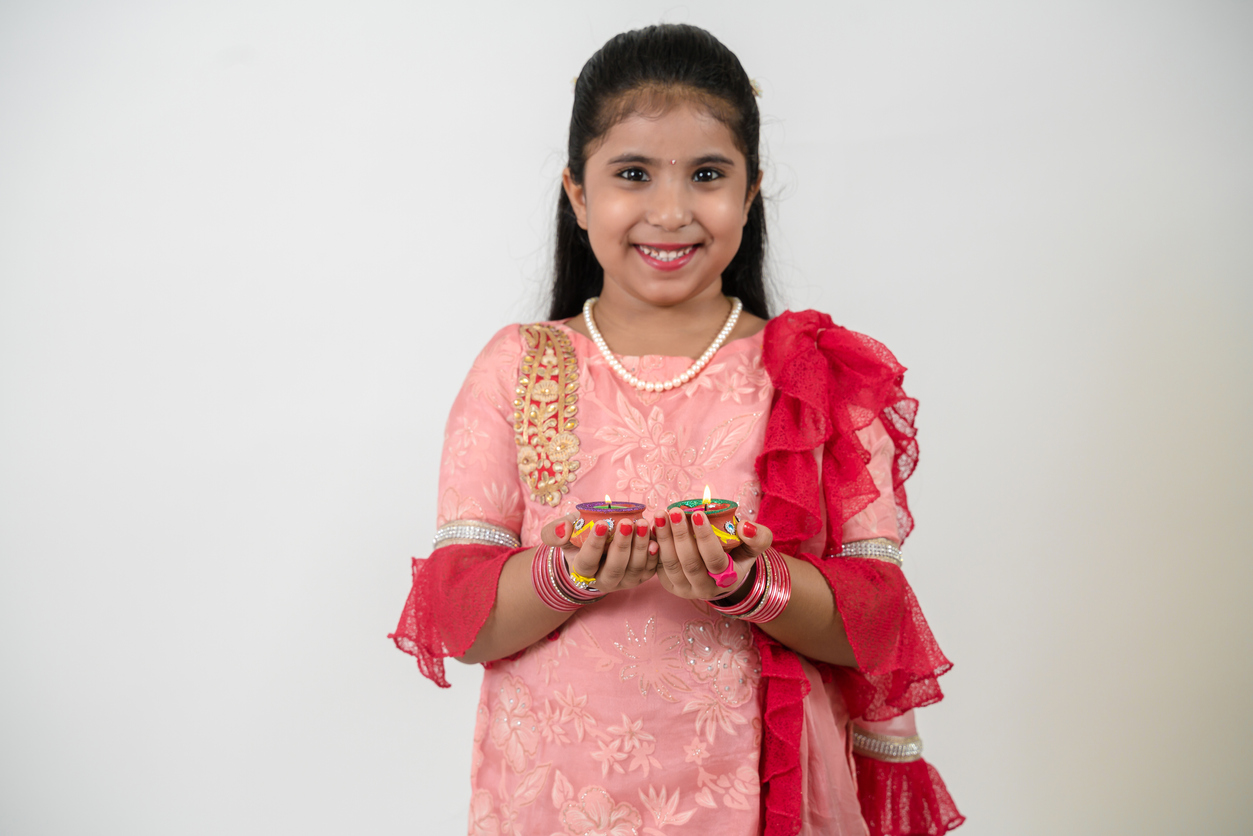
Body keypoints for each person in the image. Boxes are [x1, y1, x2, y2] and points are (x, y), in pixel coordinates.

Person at [391, 23, 962, 836]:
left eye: (705, 175)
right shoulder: (521, 366)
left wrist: (751, 586)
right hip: (555, 804)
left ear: (750, 192)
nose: (670, 210)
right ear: (579, 195)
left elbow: (874, 625)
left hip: (760, 802)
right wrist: (569, 574)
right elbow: (462, 617)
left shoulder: (816, 374)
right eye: (632, 174)